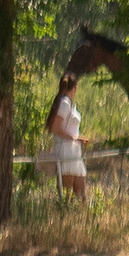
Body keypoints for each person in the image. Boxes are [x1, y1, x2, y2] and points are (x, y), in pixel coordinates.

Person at [46, 73, 85, 203]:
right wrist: (74, 138)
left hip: (75, 152)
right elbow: (55, 127)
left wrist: (78, 138)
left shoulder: (69, 104)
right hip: (66, 151)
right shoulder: (64, 104)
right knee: (67, 195)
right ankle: (63, 217)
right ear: (75, 88)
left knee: (81, 194)